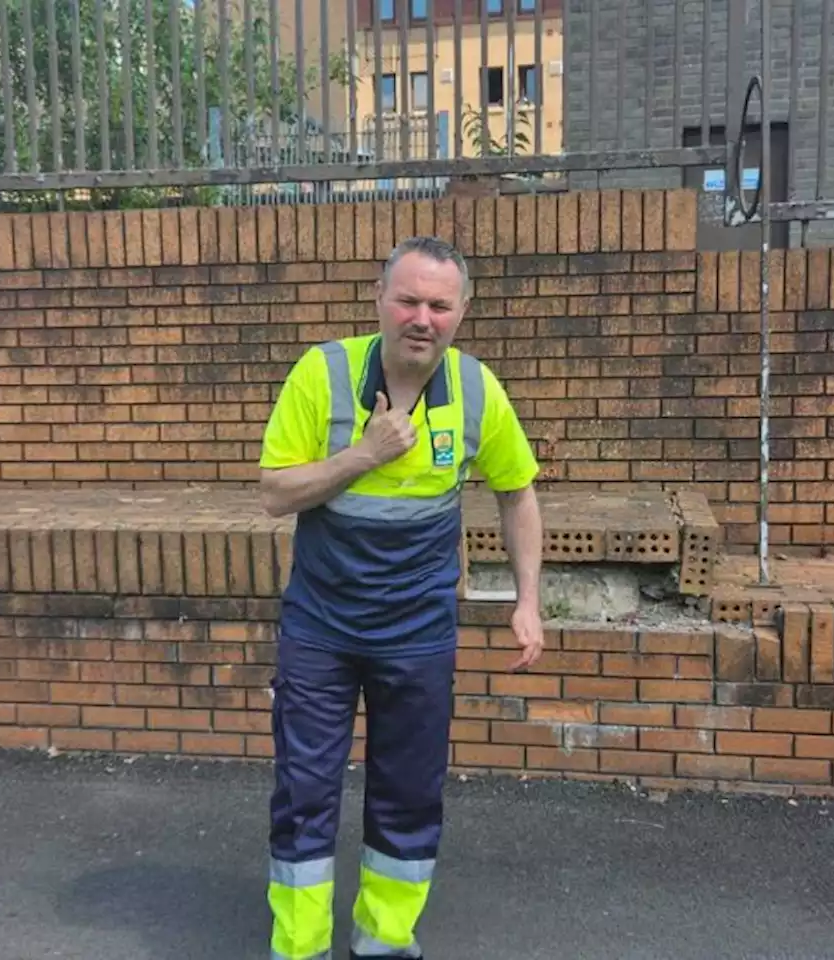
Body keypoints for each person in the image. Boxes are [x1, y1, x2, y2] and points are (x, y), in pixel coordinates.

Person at [257, 235, 544, 960]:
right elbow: (273, 493)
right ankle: (300, 947)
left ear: (462, 313)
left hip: (418, 631)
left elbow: (517, 494)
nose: (423, 317)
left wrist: (527, 599)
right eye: (409, 299)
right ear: (379, 301)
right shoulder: (321, 374)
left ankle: (384, 940)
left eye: (440, 305)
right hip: (321, 626)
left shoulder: (478, 390)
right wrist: (365, 454)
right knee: (304, 791)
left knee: (410, 790)